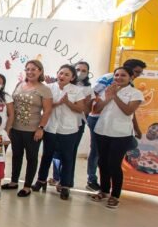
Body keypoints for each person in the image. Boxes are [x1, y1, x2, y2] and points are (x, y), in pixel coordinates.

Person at [86, 58, 146, 190]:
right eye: (136, 72)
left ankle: (115, 194)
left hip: (120, 132)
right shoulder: (108, 82)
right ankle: (96, 183)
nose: (137, 75)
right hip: (100, 123)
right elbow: (94, 103)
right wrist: (108, 97)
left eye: (123, 75)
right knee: (100, 157)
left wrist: (136, 128)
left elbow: (129, 111)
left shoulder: (134, 92)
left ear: (129, 77)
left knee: (113, 163)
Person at [34, 65, 86, 200]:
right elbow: (44, 107)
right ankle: (41, 180)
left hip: (68, 130)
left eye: (67, 74)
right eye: (61, 73)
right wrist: (57, 103)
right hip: (50, 127)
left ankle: (65, 186)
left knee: (67, 158)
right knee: (47, 156)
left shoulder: (76, 90)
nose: (62, 76)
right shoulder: (49, 88)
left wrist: (67, 102)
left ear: (72, 77)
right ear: (57, 74)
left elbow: (80, 108)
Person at [7, 60, 53, 198]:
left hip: (33, 129)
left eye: (34, 69)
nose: (30, 72)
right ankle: (14, 182)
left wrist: (41, 128)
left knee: (31, 158)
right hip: (16, 128)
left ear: (40, 71)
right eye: (28, 69)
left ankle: (27, 186)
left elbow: (47, 110)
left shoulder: (44, 89)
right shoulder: (19, 85)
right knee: (16, 156)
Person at [51, 61, 94, 187]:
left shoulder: (87, 89)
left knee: (69, 155)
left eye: (84, 70)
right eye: (78, 69)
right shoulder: (55, 86)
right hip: (55, 124)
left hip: (76, 125)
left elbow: (85, 110)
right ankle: (56, 177)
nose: (80, 72)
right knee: (55, 154)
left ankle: (67, 182)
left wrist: (79, 103)